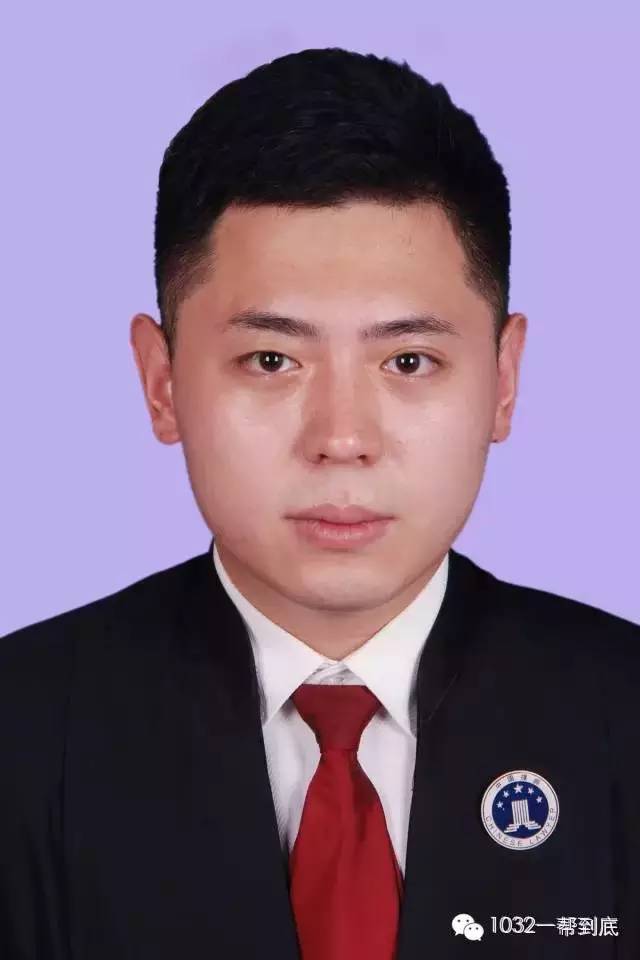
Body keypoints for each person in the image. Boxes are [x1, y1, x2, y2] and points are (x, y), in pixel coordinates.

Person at [1, 45, 638, 960]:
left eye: (408, 361)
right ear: (162, 381)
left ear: (503, 381)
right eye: (272, 360)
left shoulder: (623, 716)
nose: (342, 437)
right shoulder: (23, 738)